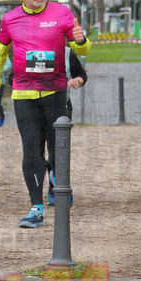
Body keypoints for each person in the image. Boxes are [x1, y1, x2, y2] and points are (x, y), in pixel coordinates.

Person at [0, 0, 91, 229]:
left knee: (57, 149)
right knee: (31, 151)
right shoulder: (10, 19)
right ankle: (36, 208)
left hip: (55, 93)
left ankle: (58, 185)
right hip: (24, 95)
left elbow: (83, 48)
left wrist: (82, 40)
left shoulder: (62, 14)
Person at [46, 47, 88, 206]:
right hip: (34, 107)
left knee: (57, 151)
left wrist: (77, 81)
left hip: (62, 106)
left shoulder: (67, 52)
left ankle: (57, 189)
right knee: (36, 152)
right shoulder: (30, 47)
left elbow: (82, 75)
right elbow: (13, 78)